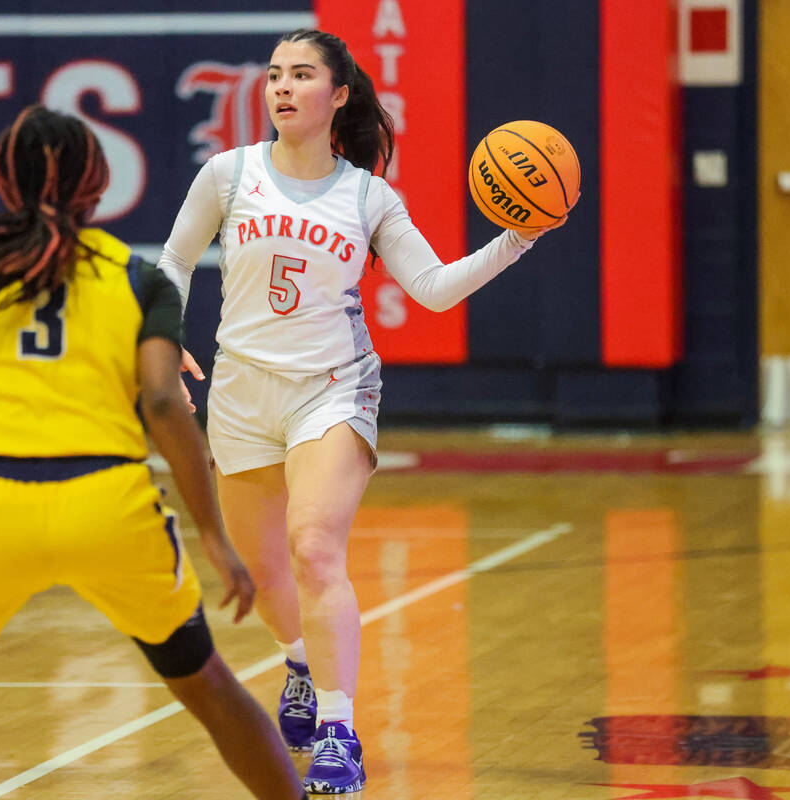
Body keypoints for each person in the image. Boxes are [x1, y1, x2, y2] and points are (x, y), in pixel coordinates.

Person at [157, 28, 574, 794]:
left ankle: (338, 735)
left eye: (302, 75)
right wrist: (161, 339)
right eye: (276, 75)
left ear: (338, 94)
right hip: (242, 391)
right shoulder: (228, 173)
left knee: (314, 547)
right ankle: (300, 664)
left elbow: (435, 290)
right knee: (263, 567)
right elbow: (175, 260)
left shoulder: (368, 196)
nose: (282, 87)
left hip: (333, 387)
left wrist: (518, 239)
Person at [0, 104, 310, 800]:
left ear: (3, 183)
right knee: (208, 686)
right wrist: (213, 538)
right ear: (98, 186)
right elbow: (165, 405)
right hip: (110, 506)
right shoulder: (140, 281)